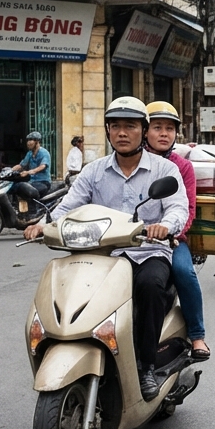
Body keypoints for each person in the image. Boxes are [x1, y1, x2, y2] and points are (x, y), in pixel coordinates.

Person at [25, 98, 188, 400]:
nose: (122, 133)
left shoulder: (164, 170)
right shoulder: (94, 171)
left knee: (150, 287)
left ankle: (146, 366)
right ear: (108, 131)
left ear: (142, 130)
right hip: (101, 256)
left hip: (147, 252)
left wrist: (164, 226)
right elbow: (70, 204)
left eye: (130, 126)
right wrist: (43, 223)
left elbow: (178, 208)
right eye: (116, 127)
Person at [144, 102, 209, 360]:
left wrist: (170, 231)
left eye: (169, 129)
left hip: (171, 239)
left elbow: (189, 208)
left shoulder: (182, 167)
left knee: (184, 272)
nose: (163, 133)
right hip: (130, 238)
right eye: (157, 127)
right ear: (144, 131)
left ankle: (197, 334)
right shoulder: (132, 161)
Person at [12, 131, 52, 197]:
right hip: (32, 182)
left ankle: (34, 207)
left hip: (43, 182)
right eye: (27, 140)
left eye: (31, 140)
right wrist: (10, 170)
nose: (28, 143)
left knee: (25, 191)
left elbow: (42, 166)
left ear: (37, 141)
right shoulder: (30, 153)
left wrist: (28, 172)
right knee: (16, 187)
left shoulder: (44, 152)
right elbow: (21, 165)